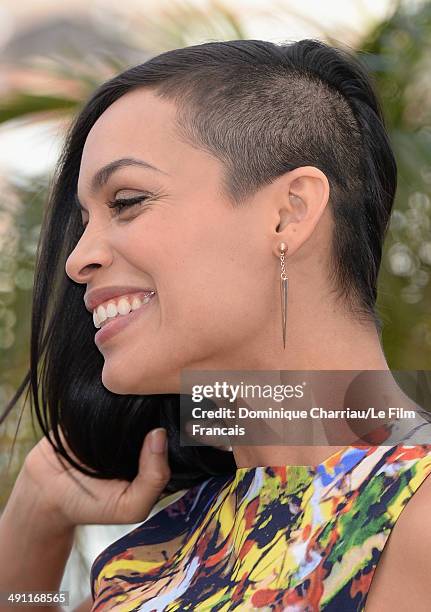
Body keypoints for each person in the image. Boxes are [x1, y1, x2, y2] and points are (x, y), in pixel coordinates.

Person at [1, 37, 431, 612]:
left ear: (290, 212)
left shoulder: (414, 518)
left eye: (126, 200)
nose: (78, 257)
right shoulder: (164, 554)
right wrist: (37, 512)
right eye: (83, 220)